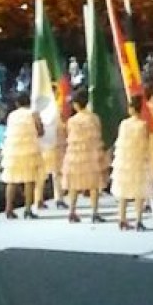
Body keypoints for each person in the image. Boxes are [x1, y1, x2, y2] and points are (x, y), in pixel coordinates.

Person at [61, 91, 106, 224]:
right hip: (91, 154)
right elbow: (99, 132)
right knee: (94, 184)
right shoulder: (94, 118)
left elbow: (68, 135)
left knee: (74, 184)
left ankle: (72, 211)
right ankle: (94, 212)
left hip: (75, 156)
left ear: (75, 105)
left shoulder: (71, 121)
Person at [111, 94, 153, 232]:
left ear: (130, 109)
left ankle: (122, 219)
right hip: (139, 159)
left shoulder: (123, 124)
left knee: (123, 190)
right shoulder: (143, 125)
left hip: (124, 161)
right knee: (139, 191)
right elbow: (147, 141)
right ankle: (138, 220)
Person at [0, 97, 44, 220]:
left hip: (12, 151)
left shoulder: (11, 116)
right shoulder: (33, 114)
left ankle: (8, 209)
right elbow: (40, 131)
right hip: (29, 150)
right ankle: (28, 210)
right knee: (29, 180)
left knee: (11, 180)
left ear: (17, 103)